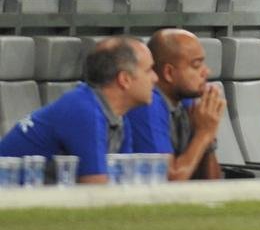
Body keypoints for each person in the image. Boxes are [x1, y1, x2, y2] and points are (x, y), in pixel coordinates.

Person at [0, 37, 155, 183]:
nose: (155, 78)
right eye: (149, 71)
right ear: (125, 79)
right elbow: (96, 187)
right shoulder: (82, 109)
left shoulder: (119, 116)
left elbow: (122, 180)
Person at [127, 29, 224, 181]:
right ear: (169, 73)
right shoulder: (147, 104)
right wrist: (204, 133)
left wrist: (208, 139)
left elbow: (211, 185)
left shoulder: (186, 100)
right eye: (196, 65)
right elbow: (168, 180)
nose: (206, 71)